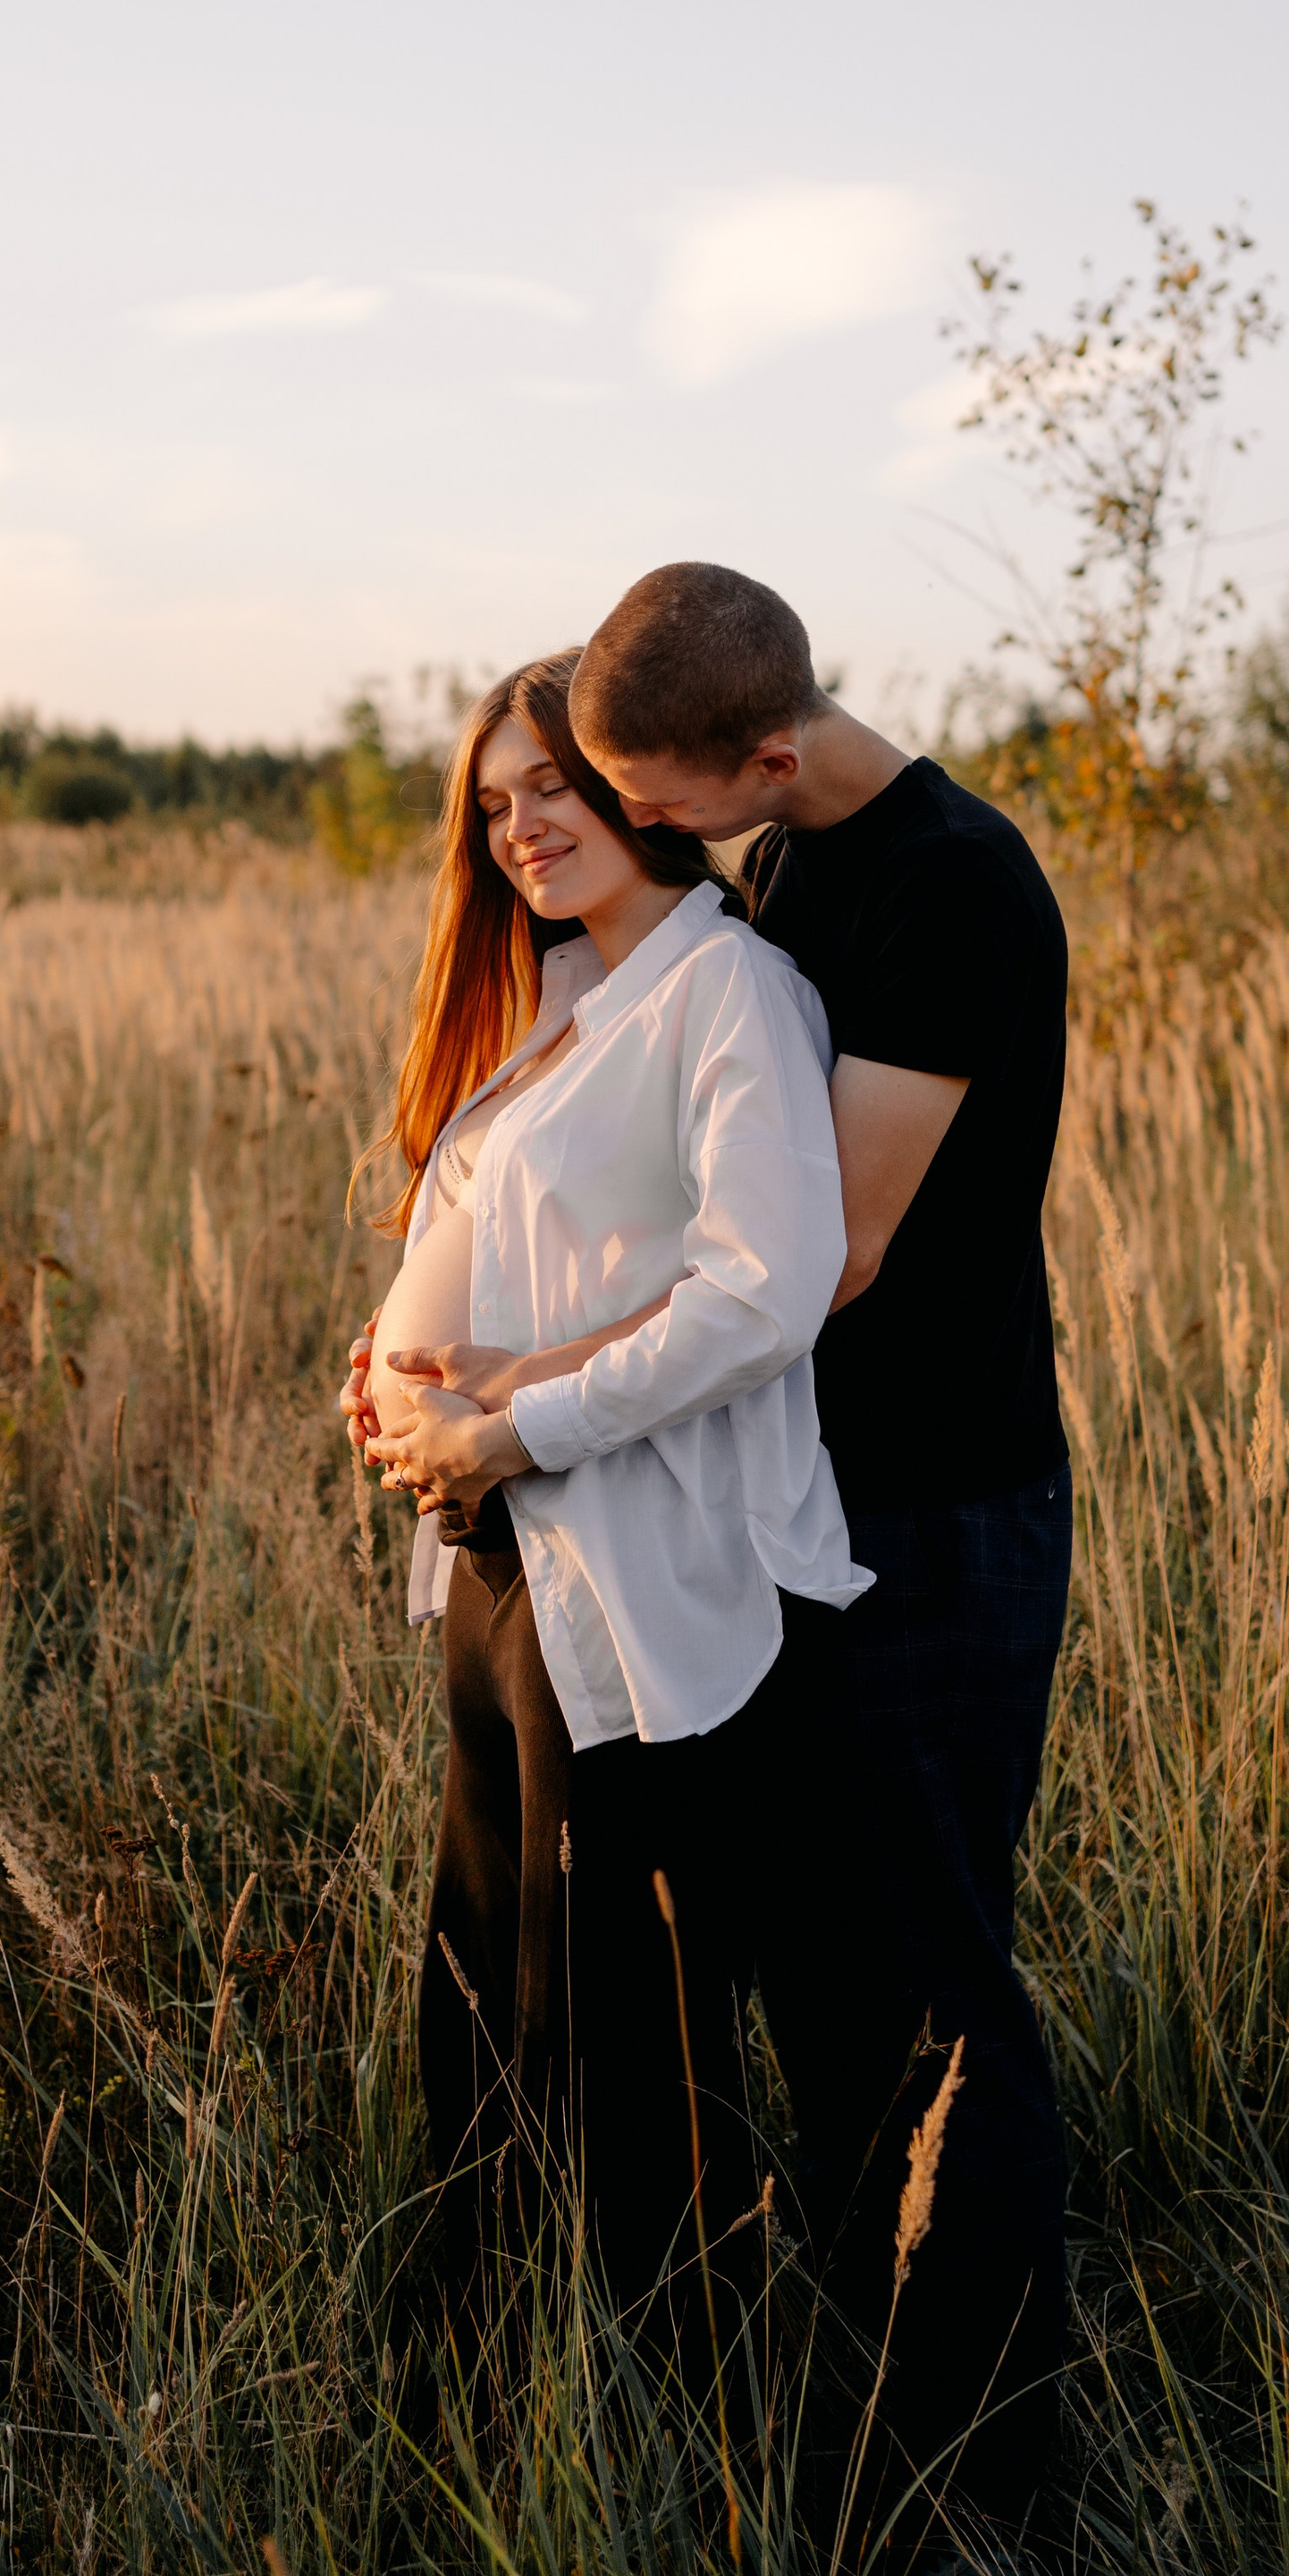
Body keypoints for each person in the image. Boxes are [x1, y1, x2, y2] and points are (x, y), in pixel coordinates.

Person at [567, 561, 1074, 2528]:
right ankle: (861, 2432)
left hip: (934, 1509)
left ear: (766, 751)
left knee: (941, 1991)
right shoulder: (774, 865)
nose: (648, 837)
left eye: (666, 803)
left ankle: (990, 2516)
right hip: (798, 1500)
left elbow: (820, 1257)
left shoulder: (948, 886)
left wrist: (542, 1377)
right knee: (832, 1986)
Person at [347, 646, 868, 2322]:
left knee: (624, 2031)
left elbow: (760, 1288)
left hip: (635, 1581)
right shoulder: (565, 996)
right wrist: (388, 1387)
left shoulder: (729, 991)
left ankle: (674, 2412)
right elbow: (491, 1246)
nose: (518, 828)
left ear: (633, 783)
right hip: (496, 1566)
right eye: (492, 806)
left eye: (550, 787)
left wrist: (514, 1427)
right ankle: (493, 2378)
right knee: (487, 1999)